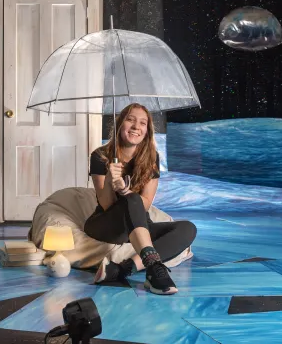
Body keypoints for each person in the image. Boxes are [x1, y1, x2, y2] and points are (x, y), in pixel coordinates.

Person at [84, 103, 197, 295]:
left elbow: (145, 202)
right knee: (132, 199)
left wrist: (126, 191)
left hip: (138, 223)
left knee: (188, 229)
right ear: (120, 124)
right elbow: (106, 204)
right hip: (107, 225)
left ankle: (122, 269)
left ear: (147, 131)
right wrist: (111, 180)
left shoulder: (152, 158)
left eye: (143, 123)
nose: (137, 126)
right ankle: (153, 268)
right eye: (130, 120)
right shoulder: (101, 156)